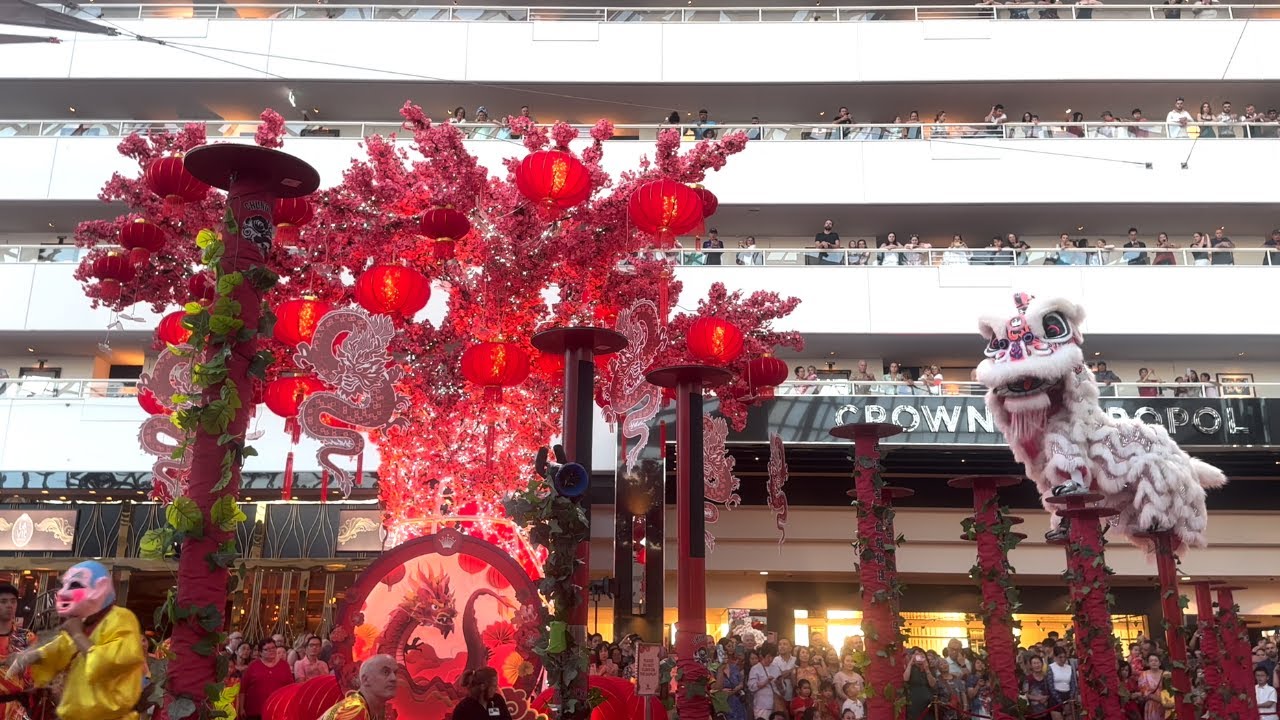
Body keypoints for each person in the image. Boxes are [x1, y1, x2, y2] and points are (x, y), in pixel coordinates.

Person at [8, 561, 145, 720]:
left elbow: (110, 662)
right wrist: (33, 656)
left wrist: (78, 635)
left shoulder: (122, 619)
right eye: (64, 585)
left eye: (74, 585)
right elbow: (61, 648)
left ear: (100, 588)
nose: (64, 592)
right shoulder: (85, 623)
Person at [319, 654, 399, 720]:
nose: (394, 678)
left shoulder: (374, 707)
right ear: (365, 680)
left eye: (395, 673)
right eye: (385, 672)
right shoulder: (354, 710)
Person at [0, 583, 34, 720]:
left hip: (16, 710)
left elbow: (35, 678)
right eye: (3, 601)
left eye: (13, 601)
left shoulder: (26, 637)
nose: (9, 605)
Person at [240, 638, 295, 720]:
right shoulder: (253, 665)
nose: (271, 651)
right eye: (267, 649)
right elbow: (243, 689)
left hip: (277, 710)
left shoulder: (284, 665)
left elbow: (291, 688)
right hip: (255, 711)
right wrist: (241, 708)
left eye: (273, 648)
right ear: (260, 653)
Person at [749, 645, 782, 720]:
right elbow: (751, 687)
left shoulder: (776, 668)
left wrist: (779, 683)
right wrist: (765, 682)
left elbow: (783, 689)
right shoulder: (755, 669)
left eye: (773, 657)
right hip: (762, 705)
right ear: (762, 656)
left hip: (776, 704)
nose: (771, 659)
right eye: (768, 656)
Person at [902, 649, 935, 720]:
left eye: (921, 654)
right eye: (916, 655)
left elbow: (932, 684)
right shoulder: (911, 668)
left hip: (928, 703)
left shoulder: (930, 669)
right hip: (914, 702)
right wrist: (910, 663)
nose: (919, 657)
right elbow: (905, 678)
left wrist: (927, 669)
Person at [1137, 654, 1165, 720]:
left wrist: (1164, 701)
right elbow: (1143, 690)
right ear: (1148, 663)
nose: (1153, 662)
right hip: (1150, 705)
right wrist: (1154, 698)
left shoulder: (1165, 674)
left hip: (1164, 704)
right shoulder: (1144, 674)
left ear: (1160, 663)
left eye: (1156, 660)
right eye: (1151, 661)